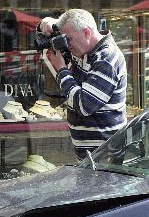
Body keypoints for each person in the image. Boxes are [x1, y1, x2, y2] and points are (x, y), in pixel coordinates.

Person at [37, 9, 127, 160]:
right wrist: (45, 24)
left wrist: (61, 71)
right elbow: (57, 28)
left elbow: (84, 105)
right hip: (92, 156)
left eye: (69, 39)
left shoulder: (106, 60)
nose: (67, 44)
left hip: (106, 159)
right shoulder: (86, 51)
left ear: (86, 32)